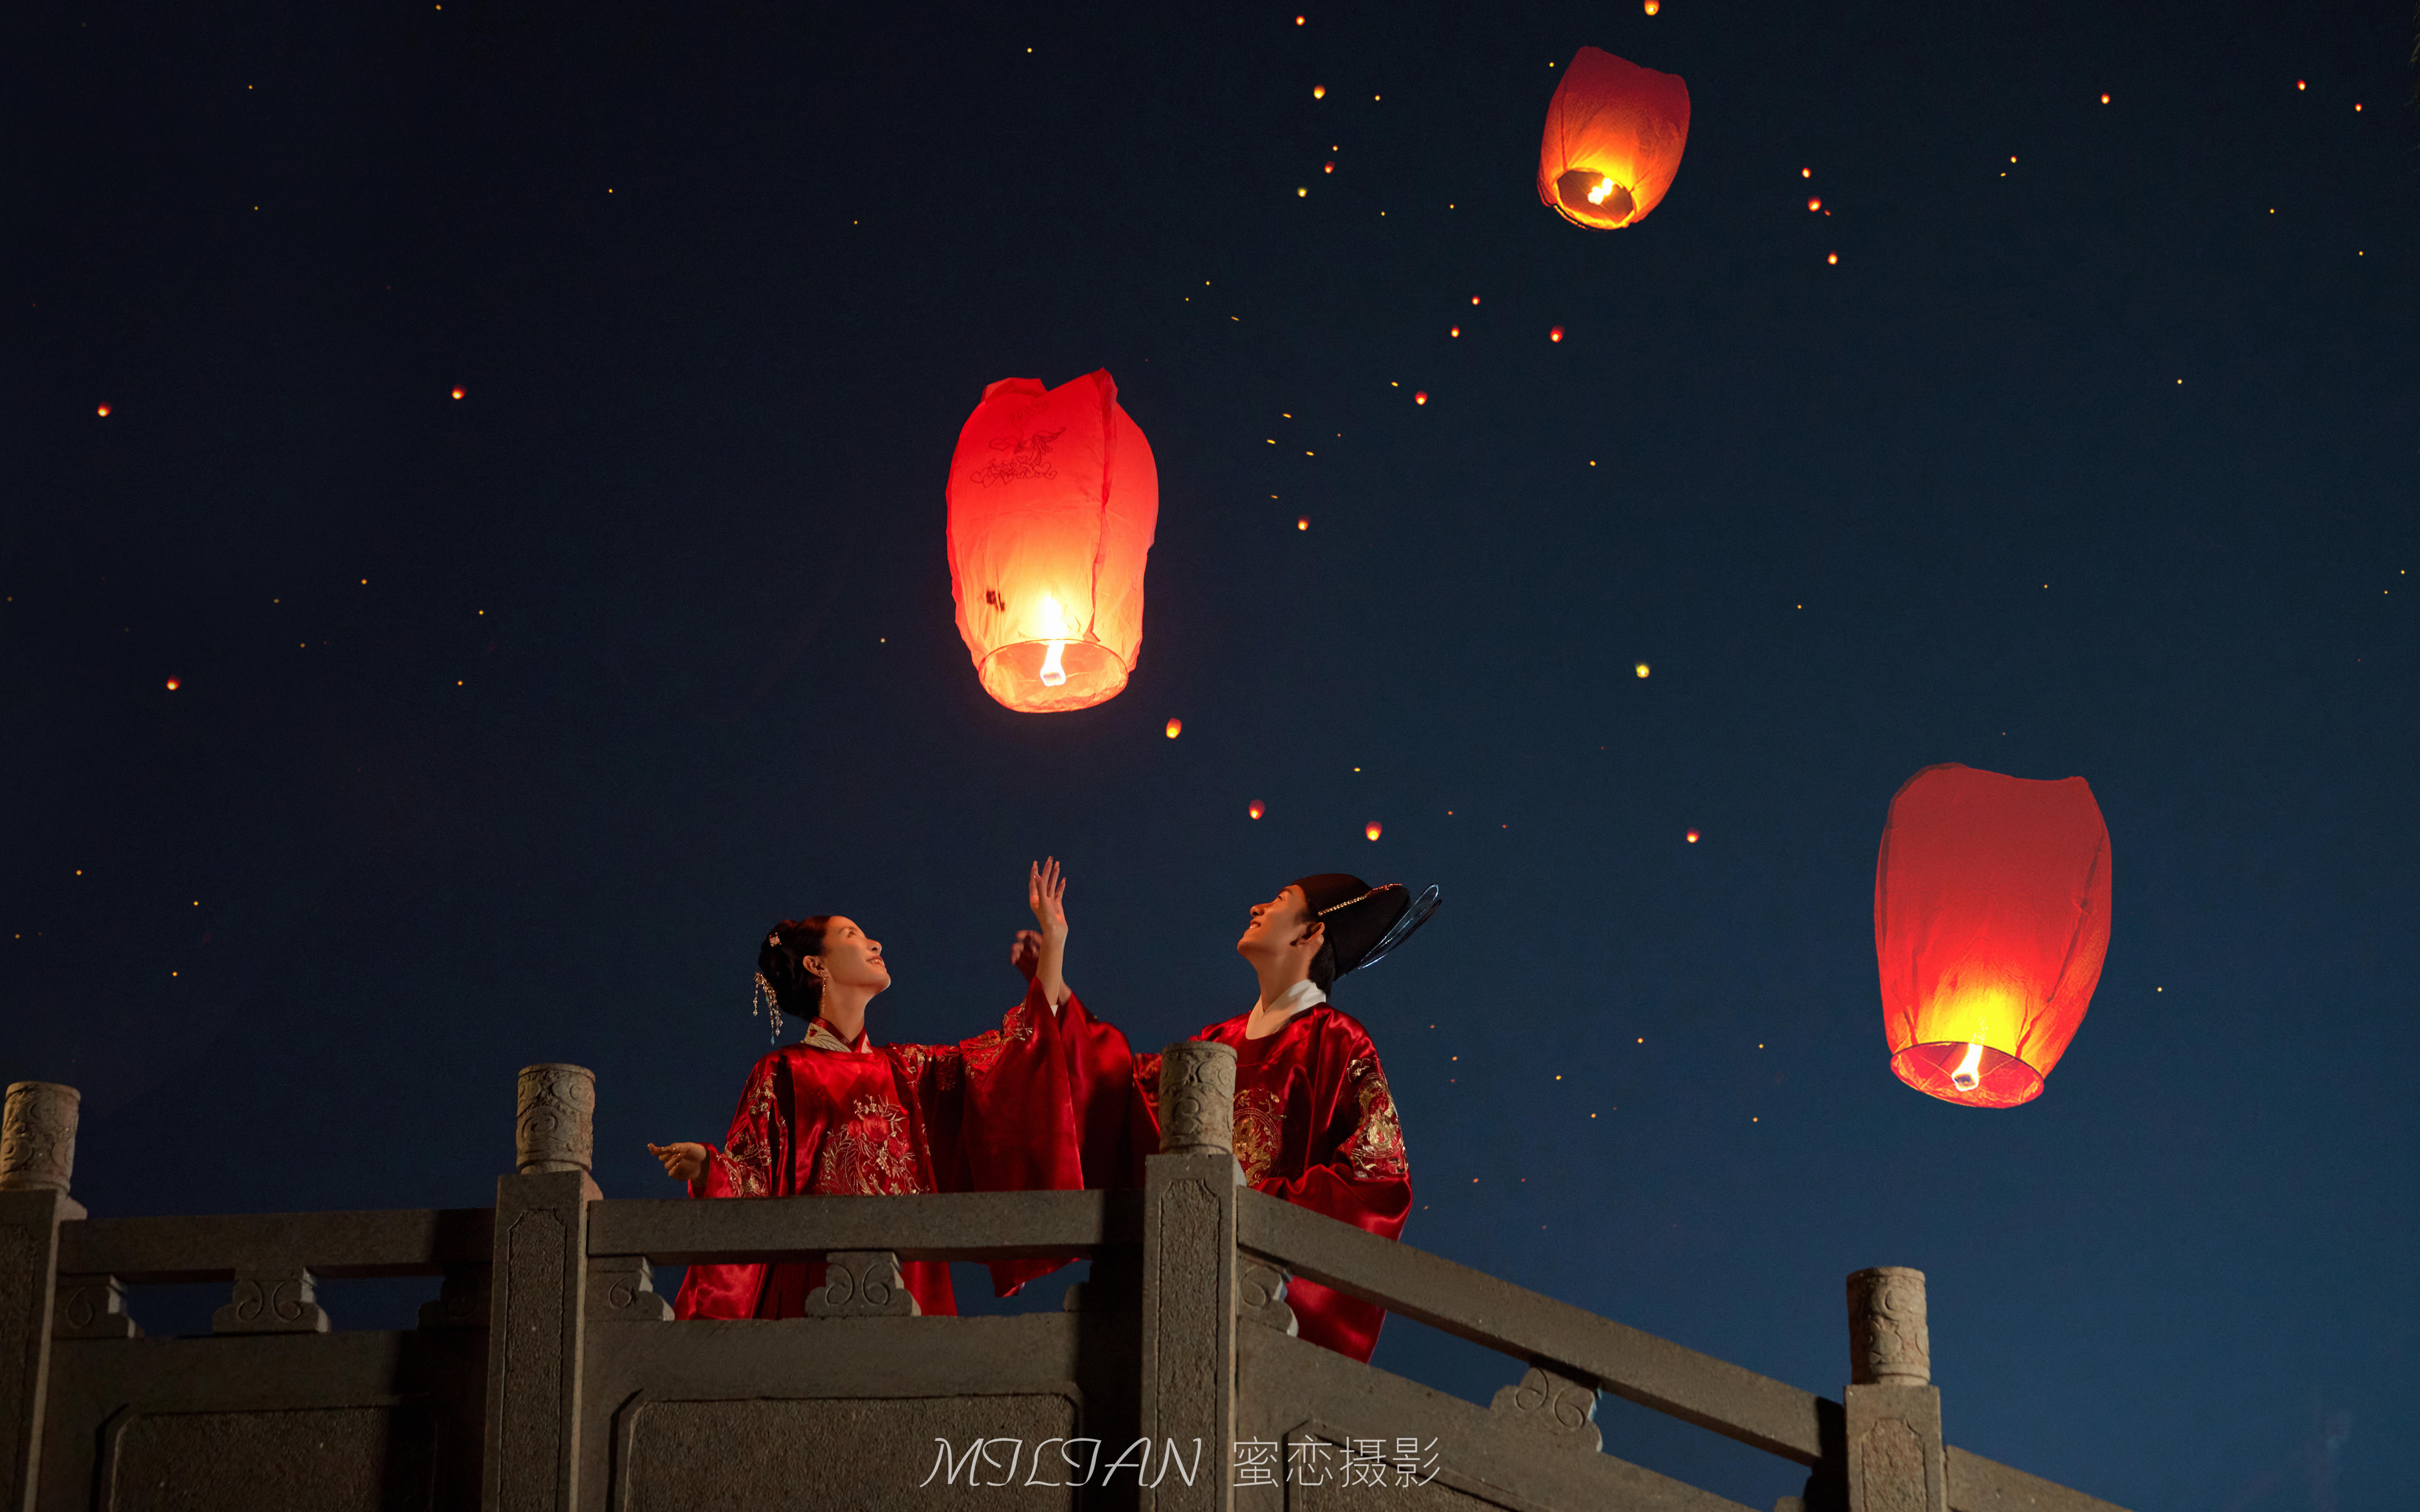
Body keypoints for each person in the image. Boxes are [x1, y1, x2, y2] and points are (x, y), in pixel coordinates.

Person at [649, 859, 1088, 1319]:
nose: (875, 943)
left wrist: (1054, 941)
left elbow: (1015, 1053)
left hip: (908, 1288)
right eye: (852, 936)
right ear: (816, 964)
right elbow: (755, 1180)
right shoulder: (783, 1071)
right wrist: (710, 1169)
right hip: (816, 1293)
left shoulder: (909, 1070)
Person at [1045, 872, 1439, 1362]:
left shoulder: (1339, 1042)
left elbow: (1378, 1181)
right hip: (1189, 1282)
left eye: (1278, 901)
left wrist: (1244, 1207)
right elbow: (1126, 1095)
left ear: (1309, 934)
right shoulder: (1217, 1041)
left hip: (1265, 1296)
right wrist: (1056, 983)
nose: (1256, 907)